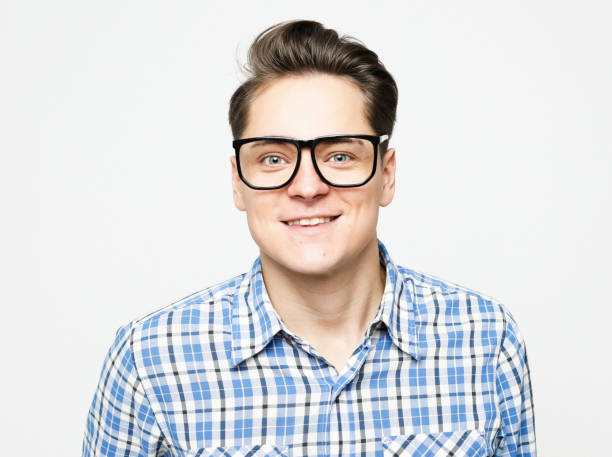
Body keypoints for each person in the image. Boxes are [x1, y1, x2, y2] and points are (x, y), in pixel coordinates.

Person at [82, 20, 536, 457]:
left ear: (386, 175)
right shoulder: (149, 360)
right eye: (274, 158)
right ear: (238, 182)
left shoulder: (486, 340)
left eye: (339, 155)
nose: (307, 186)